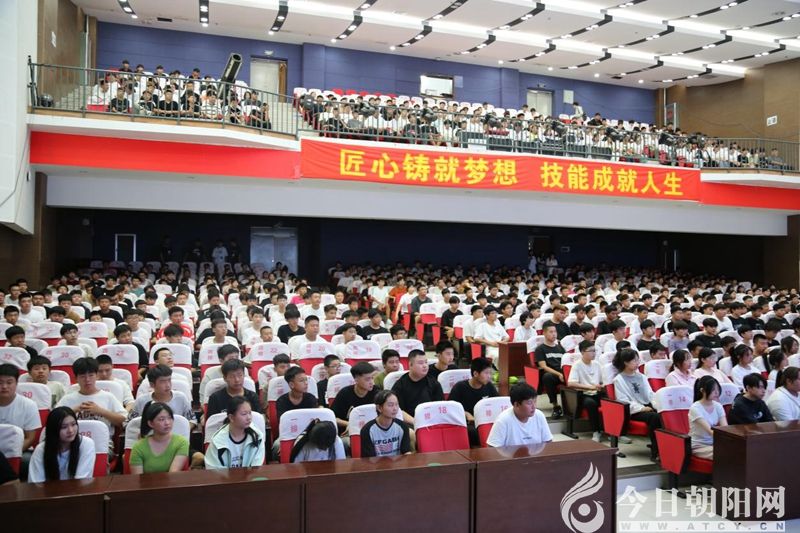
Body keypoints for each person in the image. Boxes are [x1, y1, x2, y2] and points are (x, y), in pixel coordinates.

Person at [56, 358, 127, 440]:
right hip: (73, 441)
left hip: (102, 441)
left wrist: (101, 411)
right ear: (76, 378)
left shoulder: (108, 397)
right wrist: (73, 411)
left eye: (91, 375)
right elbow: (53, 421)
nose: (87, 380)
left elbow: (124, 420)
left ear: (96, 376)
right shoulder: (68, 399)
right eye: (83, 376)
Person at [612, 348, 661, 461]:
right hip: (633, 410)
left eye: (638, 360)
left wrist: (658, 405)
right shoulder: (619, 379)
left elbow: (650, 394)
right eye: (634, 360)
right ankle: (655, 452)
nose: (638, 363)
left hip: (647, 405)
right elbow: (623, 400)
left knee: (663, 413)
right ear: (626, 362)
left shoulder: (642, 376)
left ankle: (664, 448)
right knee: (655, 417)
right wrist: (641, 408)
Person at [27, 406, 95, 482]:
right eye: (64, 427)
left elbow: (81, 480)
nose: (70, 430)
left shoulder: (86, 444)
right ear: (53, 430)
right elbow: (36, 482)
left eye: (73, 424)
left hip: (77, 489)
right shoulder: (41, 449)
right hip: (49, 489)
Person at [205, 396, 265, 469]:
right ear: (231, 417)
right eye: (244, 414)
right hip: (224, 476)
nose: (249, 417)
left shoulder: (257, 437)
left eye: (250, 413)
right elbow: (213, 469)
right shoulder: (217, 440)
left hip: (251, 475)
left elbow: (257, 467)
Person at [449, 357, 498, 446]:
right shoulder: (460, 387)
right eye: (486, 373)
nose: (489, 376)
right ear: (475, 373)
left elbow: (497, 404)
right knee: (474, 432)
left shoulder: (489, 386)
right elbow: (451, 408)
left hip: (485, 421)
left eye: (490, 373)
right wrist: (466, 414)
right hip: (468, 424)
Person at [129, 402, 189, 474]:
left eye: (169, 418)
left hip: (172, 481)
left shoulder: (182, 443)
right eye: (161, 419)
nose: (167, 423)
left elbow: (173, 474)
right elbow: (137, 477)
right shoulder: (139, 447)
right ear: (151, 423)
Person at [485, 383, 552, 447]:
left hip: (536, 455)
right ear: (516, 405)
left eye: (535, 401)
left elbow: (548, 442)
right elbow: (492, 448)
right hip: (511, 455)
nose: (534, 406)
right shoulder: (503, 420)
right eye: (529, 403)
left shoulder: (539, 415)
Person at [391, 350, 444, 425]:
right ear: (410, 365)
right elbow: (398, 411)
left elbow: (439, 406)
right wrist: (416, 423)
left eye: (426, 362)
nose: (425, 365)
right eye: (420, 363)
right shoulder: (400, 385)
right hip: (409, 423)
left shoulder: (434, 383)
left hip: (431, 421)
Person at [566, 341, 604, 441]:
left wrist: (601, 386)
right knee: (591, 404)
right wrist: (589, 387)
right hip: (583, 394)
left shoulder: (597, 364)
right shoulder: (577, 365)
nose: (594, 353)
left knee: (612, 402)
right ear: (582, 352)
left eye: (594, 351)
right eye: (591, 351)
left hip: (597, 392)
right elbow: (571, 383)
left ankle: (615, 432)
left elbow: (602, 381)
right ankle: (596, 431)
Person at [0, 364, 42, 454]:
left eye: (9, 382)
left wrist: (12, 454)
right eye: (0, 383)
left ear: (16, 383)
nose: (4, 386)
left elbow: (30, 438)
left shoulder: (29, 405)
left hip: (19, 450)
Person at [360, 390, 412, 457]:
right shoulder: (367, 430)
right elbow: (368, 459)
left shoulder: (403, 427)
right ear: (379, 408)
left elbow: (406, 452)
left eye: (397, 404)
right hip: (375, 463)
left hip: (398, 463)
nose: (395, 408)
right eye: (390, 405)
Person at [689, 376, 727, 459]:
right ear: (702, 391)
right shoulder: (695, 408)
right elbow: (710, 431)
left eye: (718, 389)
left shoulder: (718, 406)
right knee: (724, 453)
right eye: (713, 390)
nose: (717, 392)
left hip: (714, 443)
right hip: (699, 445)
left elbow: (725, 428)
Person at [533, 321, 566, 418]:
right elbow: (544, 366)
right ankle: (556, 406)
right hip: (553, 374)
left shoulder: (561, 348)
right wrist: (559, 374)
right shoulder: (540, 349)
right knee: (547, 377)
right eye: (551, 332)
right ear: (544, 333)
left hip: (563, 372)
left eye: (555, 332)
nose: (554, 334)